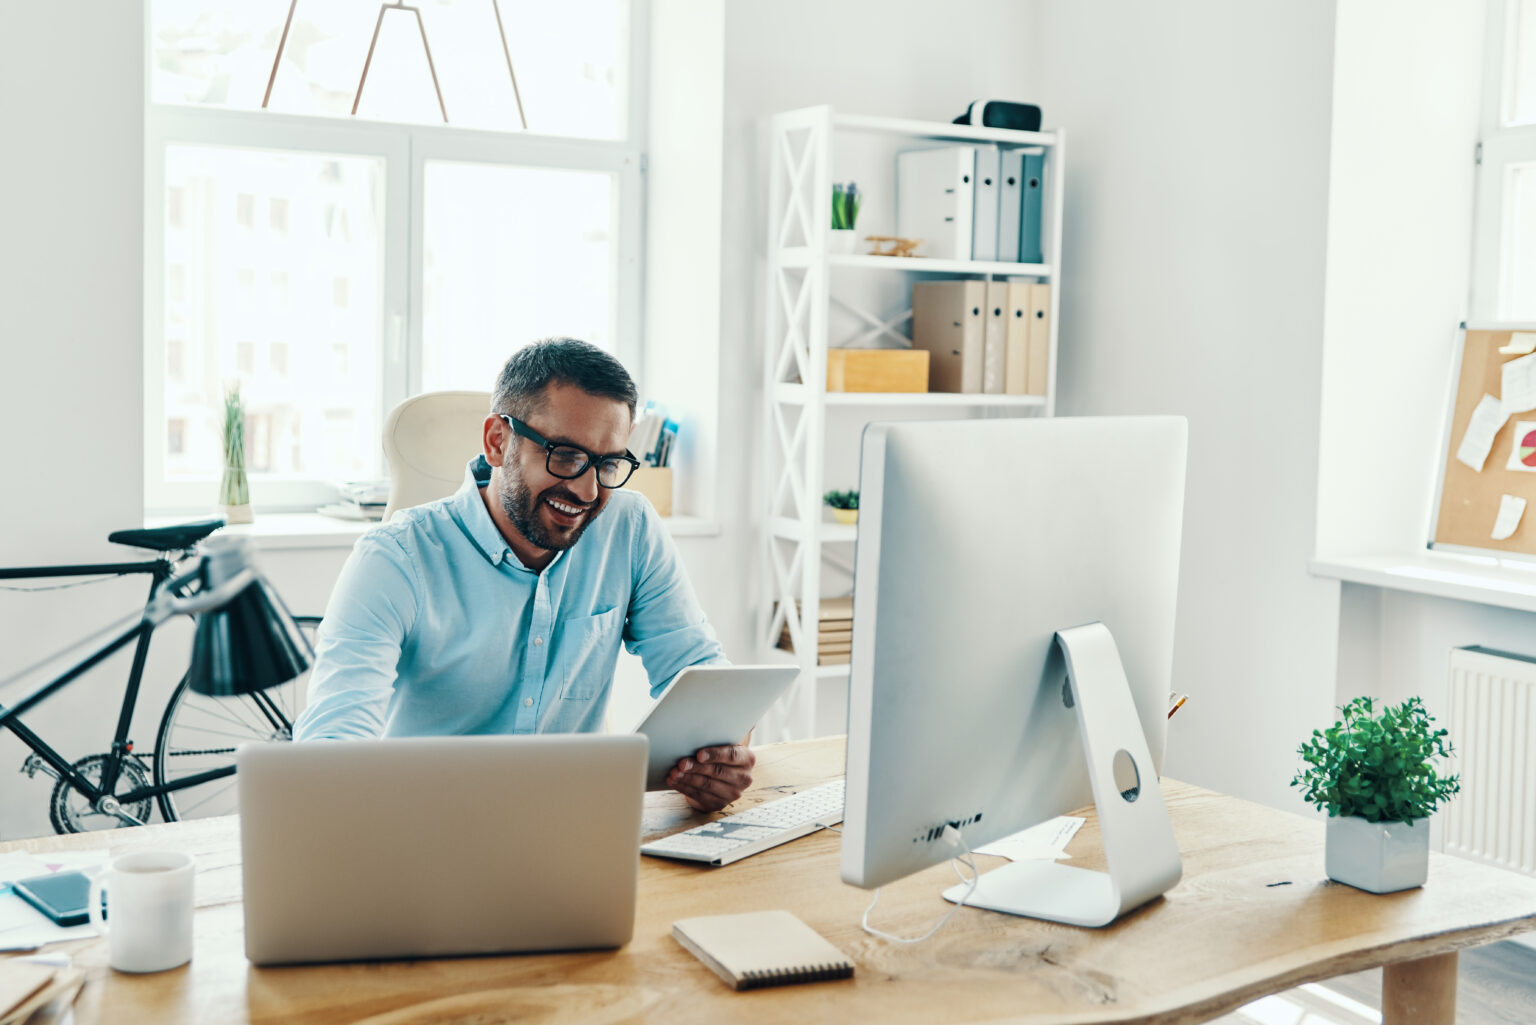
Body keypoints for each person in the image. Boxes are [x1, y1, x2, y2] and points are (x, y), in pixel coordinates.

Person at [293, 338, 753, 811]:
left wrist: (720, 758)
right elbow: (333, 741)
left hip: (572, 822)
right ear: (497, 441)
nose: (587, 490)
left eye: (607, 463)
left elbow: (702, 677)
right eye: (566, 456)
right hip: (428, 825)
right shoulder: (395, 559)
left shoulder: (630, 529)